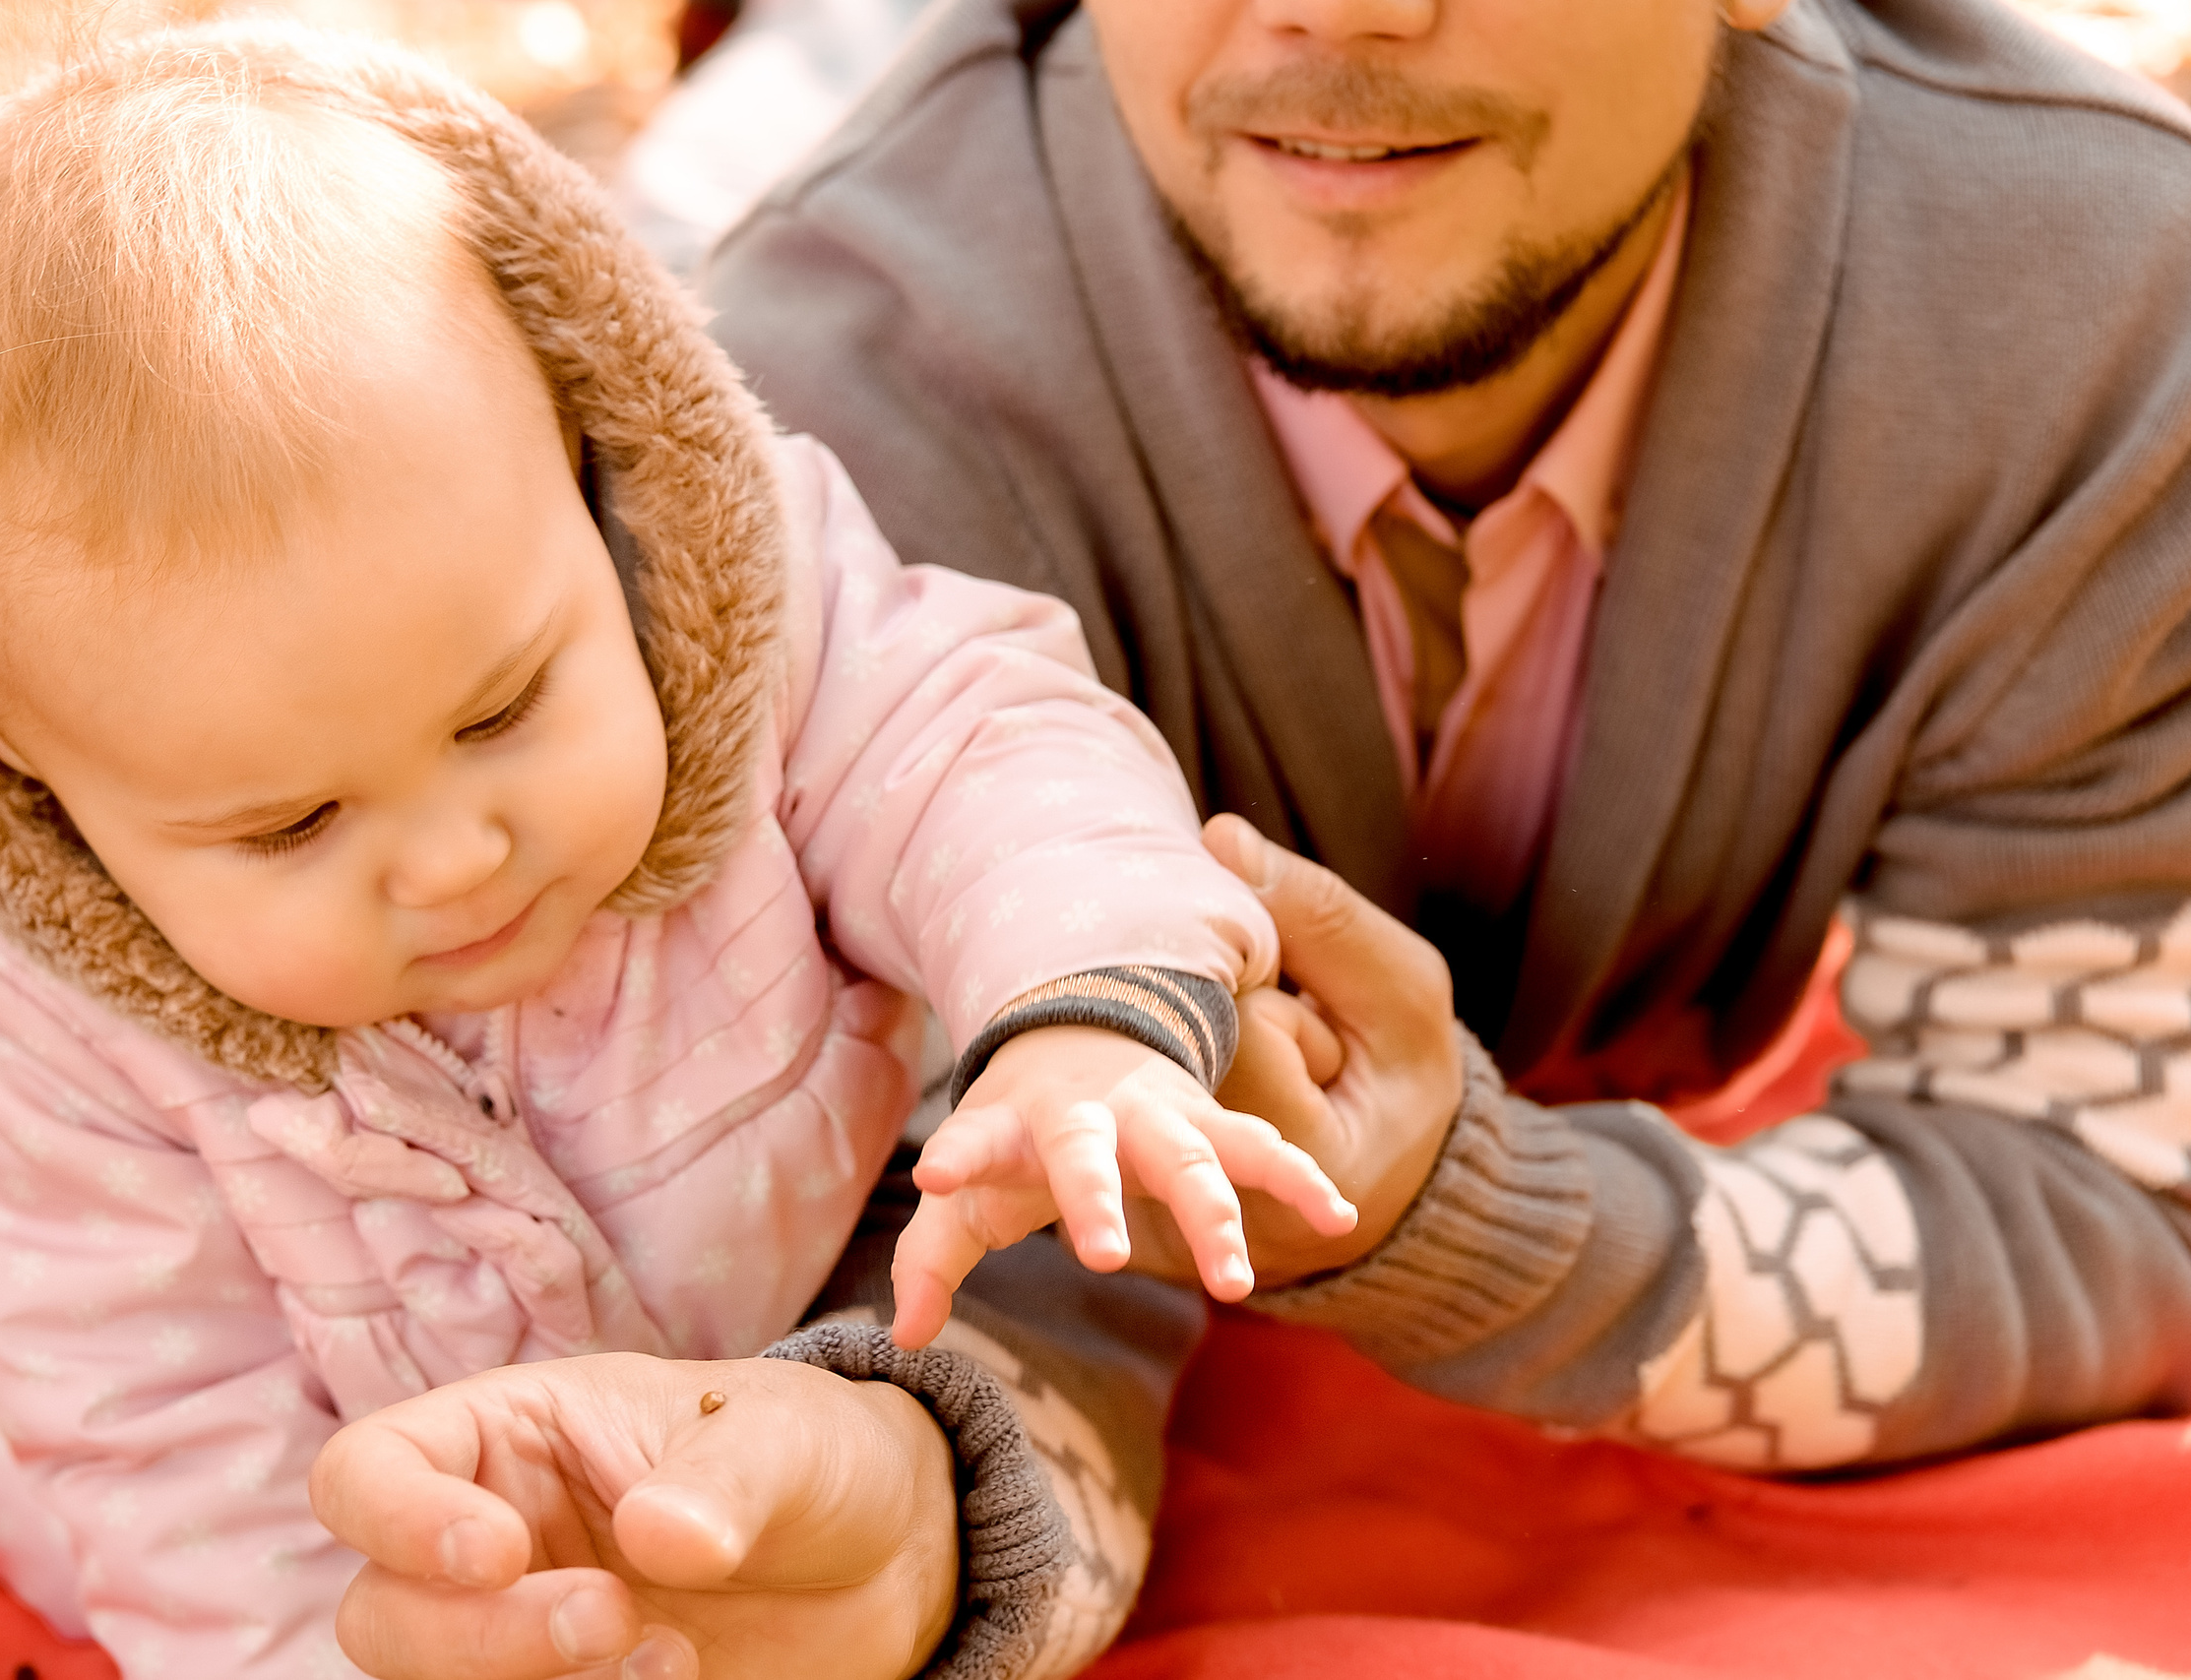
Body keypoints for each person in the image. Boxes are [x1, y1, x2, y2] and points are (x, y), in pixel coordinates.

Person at [312, 0, 2191, 1676]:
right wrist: (910, 1521)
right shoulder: (820, 435)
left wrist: (1478, 1217)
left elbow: (2117, 1202)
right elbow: (942, 1258)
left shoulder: (2090, 308)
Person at [0, 24, 1368, 1679]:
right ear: (26, 776)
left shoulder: (726, 614)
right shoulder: (45, 1011)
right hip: (321, 1450)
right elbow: (150, 1428)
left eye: (501, 711)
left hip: (745, 1272)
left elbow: (973, 744)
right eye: (294, 823)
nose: (461, 856)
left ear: (581, 465)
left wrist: (1087, 1007)